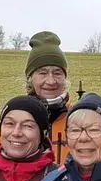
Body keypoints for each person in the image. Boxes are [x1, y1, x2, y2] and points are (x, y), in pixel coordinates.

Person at [24, 32, 73, 166]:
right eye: (42, 73)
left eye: (57, 73)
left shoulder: (80, 120)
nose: (51, 81)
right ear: (30, 78)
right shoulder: (14, 123)